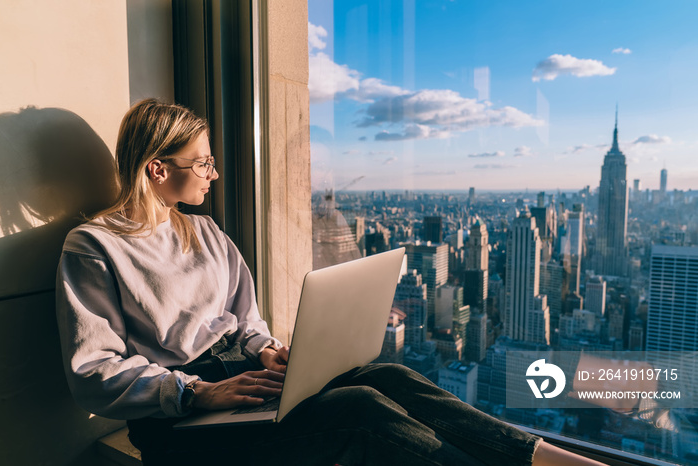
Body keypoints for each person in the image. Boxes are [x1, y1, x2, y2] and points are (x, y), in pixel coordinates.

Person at [56, 98, 606, 466]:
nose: (214, 174)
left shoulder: (204, 231)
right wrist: (197, 392)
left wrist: (265, 349)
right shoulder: (95, 246)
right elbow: (94, 372)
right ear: (157, 169)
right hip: (181, 419)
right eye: (202, 164)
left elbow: (244, 320)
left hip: (244, 378)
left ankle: (551, 460)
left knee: (385, 373)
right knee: (360, 409)